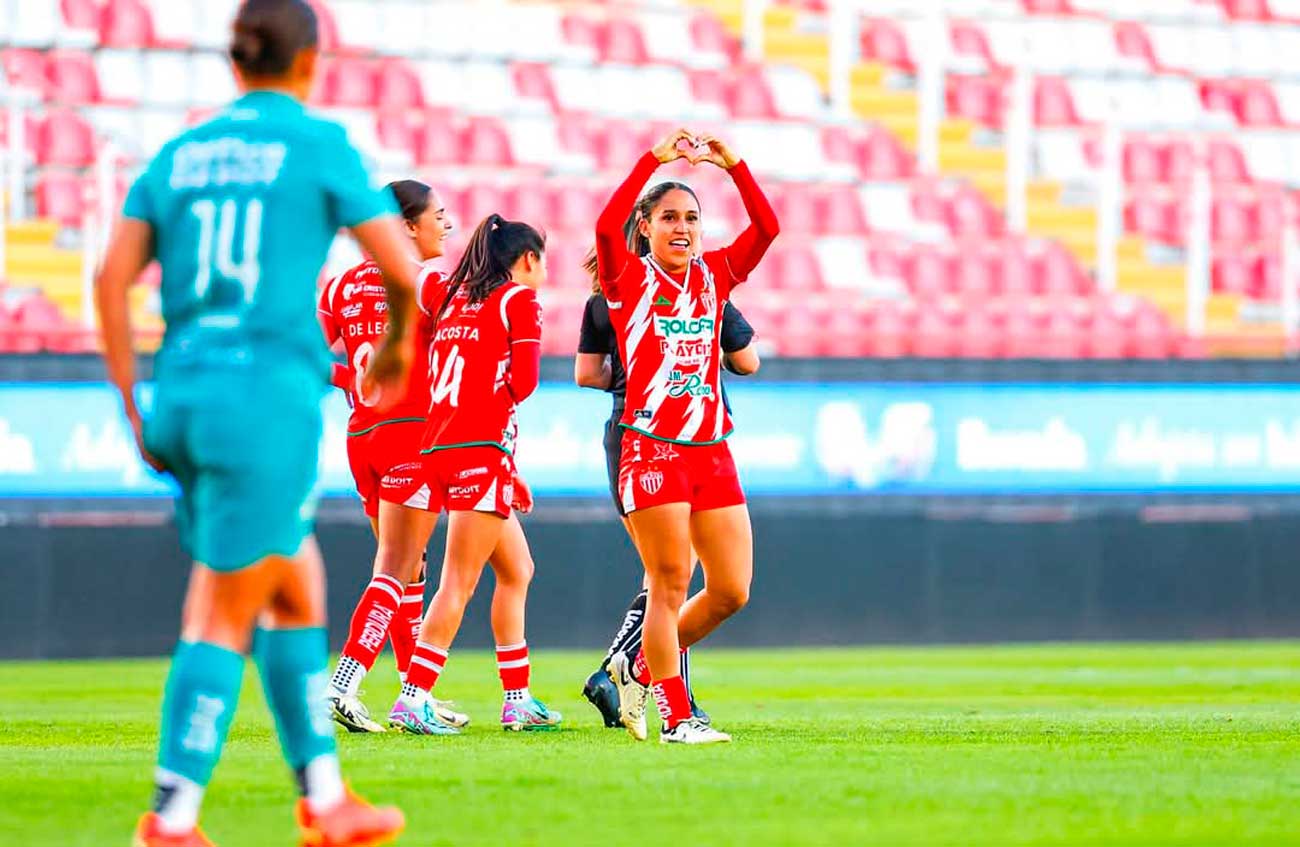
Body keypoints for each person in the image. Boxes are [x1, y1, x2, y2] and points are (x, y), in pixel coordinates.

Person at [97, 2, 412, 845]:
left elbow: (110, 276)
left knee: (294, 582)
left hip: (186, 397)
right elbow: (403, 269)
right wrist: (392, 351)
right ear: (310, 61)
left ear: (235, 63)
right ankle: (172, 816)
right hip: (262, 402)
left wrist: (134, 402)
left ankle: (325, 798)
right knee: (224, 605)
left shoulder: (179, 154)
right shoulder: (316, 144)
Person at [593, 129, 779, 744]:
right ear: (644, 227)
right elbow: (604, 223)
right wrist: (654, 159)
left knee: (732, 589)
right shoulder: (625, 281)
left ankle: (638, 666)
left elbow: (767, 229)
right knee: (668, 582)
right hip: (651, 445)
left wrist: (733, 163)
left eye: (692, 218)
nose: (682, 228)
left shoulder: (716, 275)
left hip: (712, 450)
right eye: (669, 217)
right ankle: (678, 716)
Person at [387, 214, 563, 735]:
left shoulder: (451, 296)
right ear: (528, 260)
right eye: (543, 259)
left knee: (516, 569)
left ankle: (518, 699)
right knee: (458, 583)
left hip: (441, 446)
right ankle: (413, 699)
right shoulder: (519, 300)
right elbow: (524, 383)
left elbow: (410, 272)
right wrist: (494, 447)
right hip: (477, 451)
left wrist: (508, 468)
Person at [575, 259, 761, 728]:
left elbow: (586, 374)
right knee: (671, 579)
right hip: (669, 435)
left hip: (625, 432)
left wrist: (633, 376)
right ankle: (672, 700)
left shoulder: (602, 300)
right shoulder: (706, 291)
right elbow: (747, 361)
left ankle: (634, 667)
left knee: (667, 576)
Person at [318, 179, 468, 734]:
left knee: (407, 570)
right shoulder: (427, 282)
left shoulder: (340, 287)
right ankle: (343, 683)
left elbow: (310, 353)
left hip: (364, 436)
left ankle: (415, 694)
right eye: (439, 215)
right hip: (414, 434)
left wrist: (353, 383)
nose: (446, 226)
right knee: (397, 567)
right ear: (408, 226)